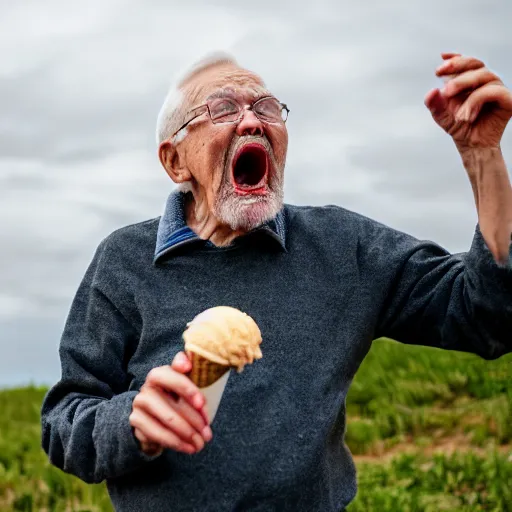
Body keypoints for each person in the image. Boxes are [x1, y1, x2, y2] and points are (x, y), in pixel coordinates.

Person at [41, 51, 512, 512]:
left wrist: (483, 159)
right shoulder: (124, 261)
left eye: (266, 107)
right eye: (223, 109)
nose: (252, 122)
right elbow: (63, 422)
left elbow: (485, 314)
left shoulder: (344, 247)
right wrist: (129, 423)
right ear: (176, 162)